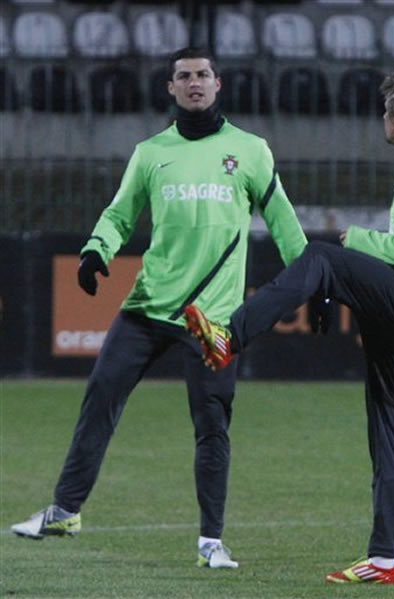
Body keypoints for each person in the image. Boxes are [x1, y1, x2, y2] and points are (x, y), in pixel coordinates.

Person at [183, 67, 394, 583]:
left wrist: (363, 240)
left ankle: (230, 335)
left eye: (387, 108)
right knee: (388, 431)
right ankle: (384, 561)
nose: (382, 116)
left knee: (323, 256)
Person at [11, 47, 308, 568]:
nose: (194, 83)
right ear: (171, 88)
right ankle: (65, 510)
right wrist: (95, 249)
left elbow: (283, 222)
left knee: (212, 426)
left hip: (211, 320)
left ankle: (211, 542)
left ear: (218, 84)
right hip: (148, 307)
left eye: (202, 75)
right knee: (100, 396)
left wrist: (311, 278)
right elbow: (120, 213)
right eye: (183, 76)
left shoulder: (251, 151)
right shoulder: (151, 153)